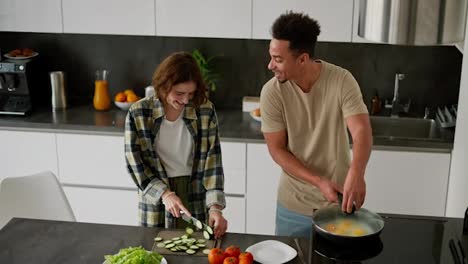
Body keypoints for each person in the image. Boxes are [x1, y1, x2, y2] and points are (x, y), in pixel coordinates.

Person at [260, 11, 372, 238]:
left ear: (302, 59)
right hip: (293, 206)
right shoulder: (272, 92)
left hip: (338, 204)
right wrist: (318, 181)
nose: (270, 65)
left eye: (278, 59)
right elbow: (277, 149)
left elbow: (361, 131)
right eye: (271, 57)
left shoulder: (341, 80)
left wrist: (357, 173)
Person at [125, 51, 227, 239]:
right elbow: (135, 164)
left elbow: (213, 164)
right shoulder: (138, 113)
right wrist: (165, 194)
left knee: (196, 252)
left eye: (191, 93)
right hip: (156, 198)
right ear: (163, 86)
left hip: (195, 193)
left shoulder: (204, 110)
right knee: (154, 252)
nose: (186, 100)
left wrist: (215, 208)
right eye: (179, 93)